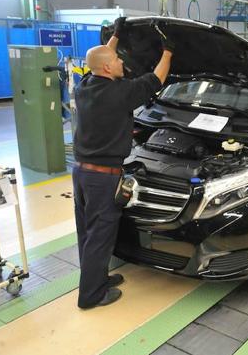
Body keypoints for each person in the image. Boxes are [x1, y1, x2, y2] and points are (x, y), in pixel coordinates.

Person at [72, 17, 174, 309]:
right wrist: (168, 52)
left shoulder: (86, 84)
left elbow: (100, 55)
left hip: (81, 173)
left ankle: (96, 278)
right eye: (117, 60)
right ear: (107, 68)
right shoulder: (120, 93)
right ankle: (92, 296)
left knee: (88, 232)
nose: (121, 63)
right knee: (100, 235)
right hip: (103, 177)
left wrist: (116, 36)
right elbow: (156, 80)